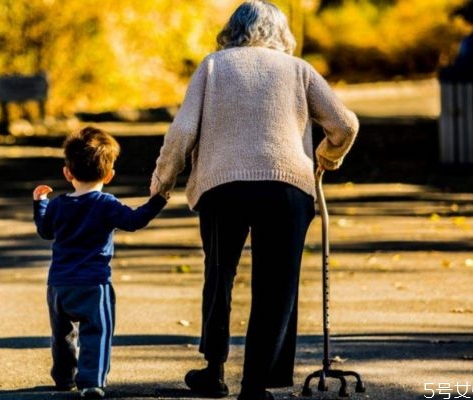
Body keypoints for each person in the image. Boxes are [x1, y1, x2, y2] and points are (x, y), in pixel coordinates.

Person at [149, 1, 359, 400]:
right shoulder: (298, 70)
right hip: (286, 188)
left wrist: (163, 179)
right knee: (276, 285)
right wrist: (326, 159)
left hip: (221, 185)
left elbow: (182, 132)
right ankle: (255, 384)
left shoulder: (213, 66)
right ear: (280, 32)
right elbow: (344, 124)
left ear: (233, 29)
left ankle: (213, 371)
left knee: (219, 276)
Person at [33, 126, 167, 398]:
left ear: (67, 173)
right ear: (109, 175)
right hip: (94, 283)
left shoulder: (58, 204)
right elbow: (133, 221)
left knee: (61, 335)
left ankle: (63, 377)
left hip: (58, 285)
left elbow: (46, 231)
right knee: (97, 332)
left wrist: (41, 203)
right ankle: (91, 382)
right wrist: (157, 200)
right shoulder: (105, 203)